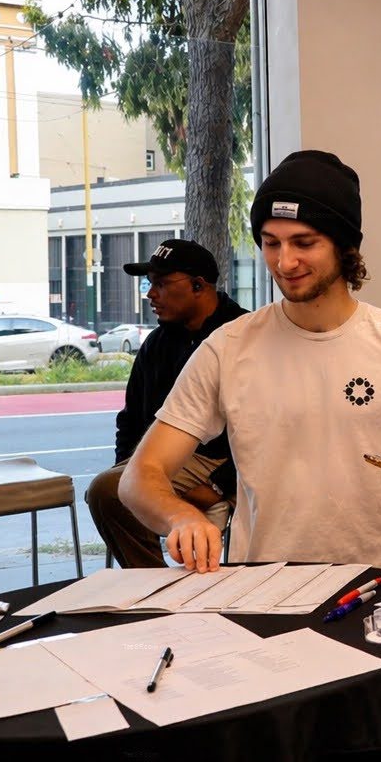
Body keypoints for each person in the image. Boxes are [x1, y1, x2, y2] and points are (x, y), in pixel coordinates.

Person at [119, 149, 381, 574]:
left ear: (344, 246)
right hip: (260, 592)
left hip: (373, 592)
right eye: (271, 243)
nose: (284, 262)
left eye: (304, 243)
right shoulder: (228, 348)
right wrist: (181, 516)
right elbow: (139, 476)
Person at [86, 239, 247, 567]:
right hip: (167, 456)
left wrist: (219, 486)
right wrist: (129, 472)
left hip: (217, 458)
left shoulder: (243, 335)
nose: (150, 295)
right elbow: (131, 419)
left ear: (198, 285)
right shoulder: (157, 343)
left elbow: (266, 429)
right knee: (111, 491)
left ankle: (154, 583)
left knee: (106, 490)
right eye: (149, 284)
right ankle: (153, 580)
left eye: (160, 284)